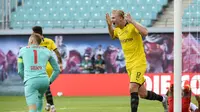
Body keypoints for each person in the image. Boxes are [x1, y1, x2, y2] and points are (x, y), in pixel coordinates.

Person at [105, 10, 168, 112]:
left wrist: (133, 21)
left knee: (132, 87)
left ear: (121, 18)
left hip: (139, 62)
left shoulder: (132, 26)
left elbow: (145, 32)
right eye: (111, 18)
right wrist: (109, 25)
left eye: (113, 18)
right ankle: (163, 99)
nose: (112, 20)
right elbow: (112, 36)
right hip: (129, 65)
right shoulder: (117, 29)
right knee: (143, 94)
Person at [17, 33, 60, 112]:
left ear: (32, 40)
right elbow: (57, 69)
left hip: (31, 81)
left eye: (29, 40)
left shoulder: (22, 50)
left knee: (32, 109)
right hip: (44, 81)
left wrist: (26, 80)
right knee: (40, 98)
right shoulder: (47, 51)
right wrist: (49, 81)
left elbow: (20, 70)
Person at [32, 26, 62, 112]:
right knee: (46, 86)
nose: (32, 34)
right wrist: (60, 63)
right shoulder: (49, 41)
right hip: (50, 67)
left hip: (40, 68)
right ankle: (49, 104)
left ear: (36, 33)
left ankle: (52, 106)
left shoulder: (34, 43)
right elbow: (57, 53)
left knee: (44, 87)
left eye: (33, 33)